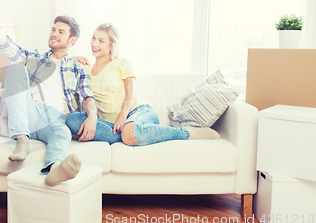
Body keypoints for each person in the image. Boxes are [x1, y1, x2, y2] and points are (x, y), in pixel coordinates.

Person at [0, 0, 98, 186]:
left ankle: (54, 169)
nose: (54, 33)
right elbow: (1, 39)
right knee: (16, 66)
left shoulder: (78, 68)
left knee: (62, 134)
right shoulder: (34, 58)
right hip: (30, 113)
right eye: (53, 29)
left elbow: (87, 96)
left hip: (57, 119)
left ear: (72, 40)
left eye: (61, 32)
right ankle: (21, 139)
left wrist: (92, 116)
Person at [66, 23, 220, 146]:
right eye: (93, 38)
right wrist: (72, 57)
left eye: (101, 41)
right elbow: (59, 64)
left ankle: (185, 133)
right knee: (72, 120)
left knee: (129, 131)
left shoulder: (121, 63)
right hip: (109, 125)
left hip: (137, 112)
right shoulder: (86, 69)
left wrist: (122, 116)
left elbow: (131, 94)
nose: (94, 43)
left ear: (111, 45)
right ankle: (130, 136)